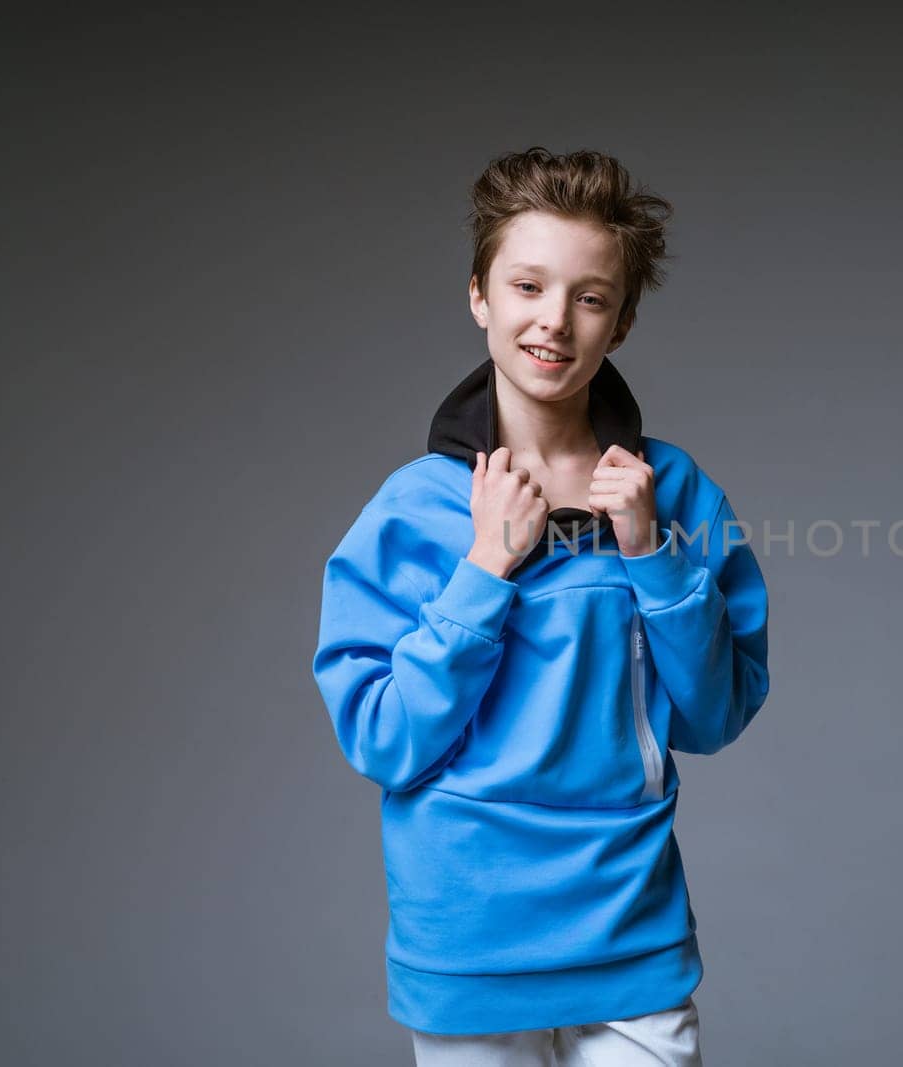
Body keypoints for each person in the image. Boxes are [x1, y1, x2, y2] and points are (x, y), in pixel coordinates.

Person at [311, 146, 772, 1065]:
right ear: (481, 296)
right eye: (527, 285)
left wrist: (651, 553)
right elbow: (383, 741)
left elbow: (715, 716)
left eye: (590, 297)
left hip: (630, 928)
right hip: (469, 943)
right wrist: (485, 567)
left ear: (623, 320)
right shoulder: (413, 508)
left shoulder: (674, 492)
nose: (553, 321)